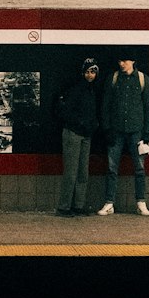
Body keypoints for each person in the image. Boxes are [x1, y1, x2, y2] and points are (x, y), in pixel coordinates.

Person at [98, 51, 149, 216]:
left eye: (125, 60)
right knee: (111, 168)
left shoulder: (143, 79)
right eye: (120, 60)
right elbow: (105, 106)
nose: (121, 64)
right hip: (116, 130)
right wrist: (107, 128)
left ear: (133, 61)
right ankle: (109, 203)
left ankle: (141, 202)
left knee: (139, 169)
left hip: (136, 131)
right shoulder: (113, 79)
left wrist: (147, 132)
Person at [54, 57, 99, 216]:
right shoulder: (77, 89)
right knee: (72, 172)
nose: (90, 75)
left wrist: (91, 126)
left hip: (85, 135)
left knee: (82, 172)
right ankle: (64, 207)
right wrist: (83, 124)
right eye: (87, 72)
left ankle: (78, 206)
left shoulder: (91, 90)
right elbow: (66, 112)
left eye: (93, 72)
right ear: (82, 73)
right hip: (73, 133)